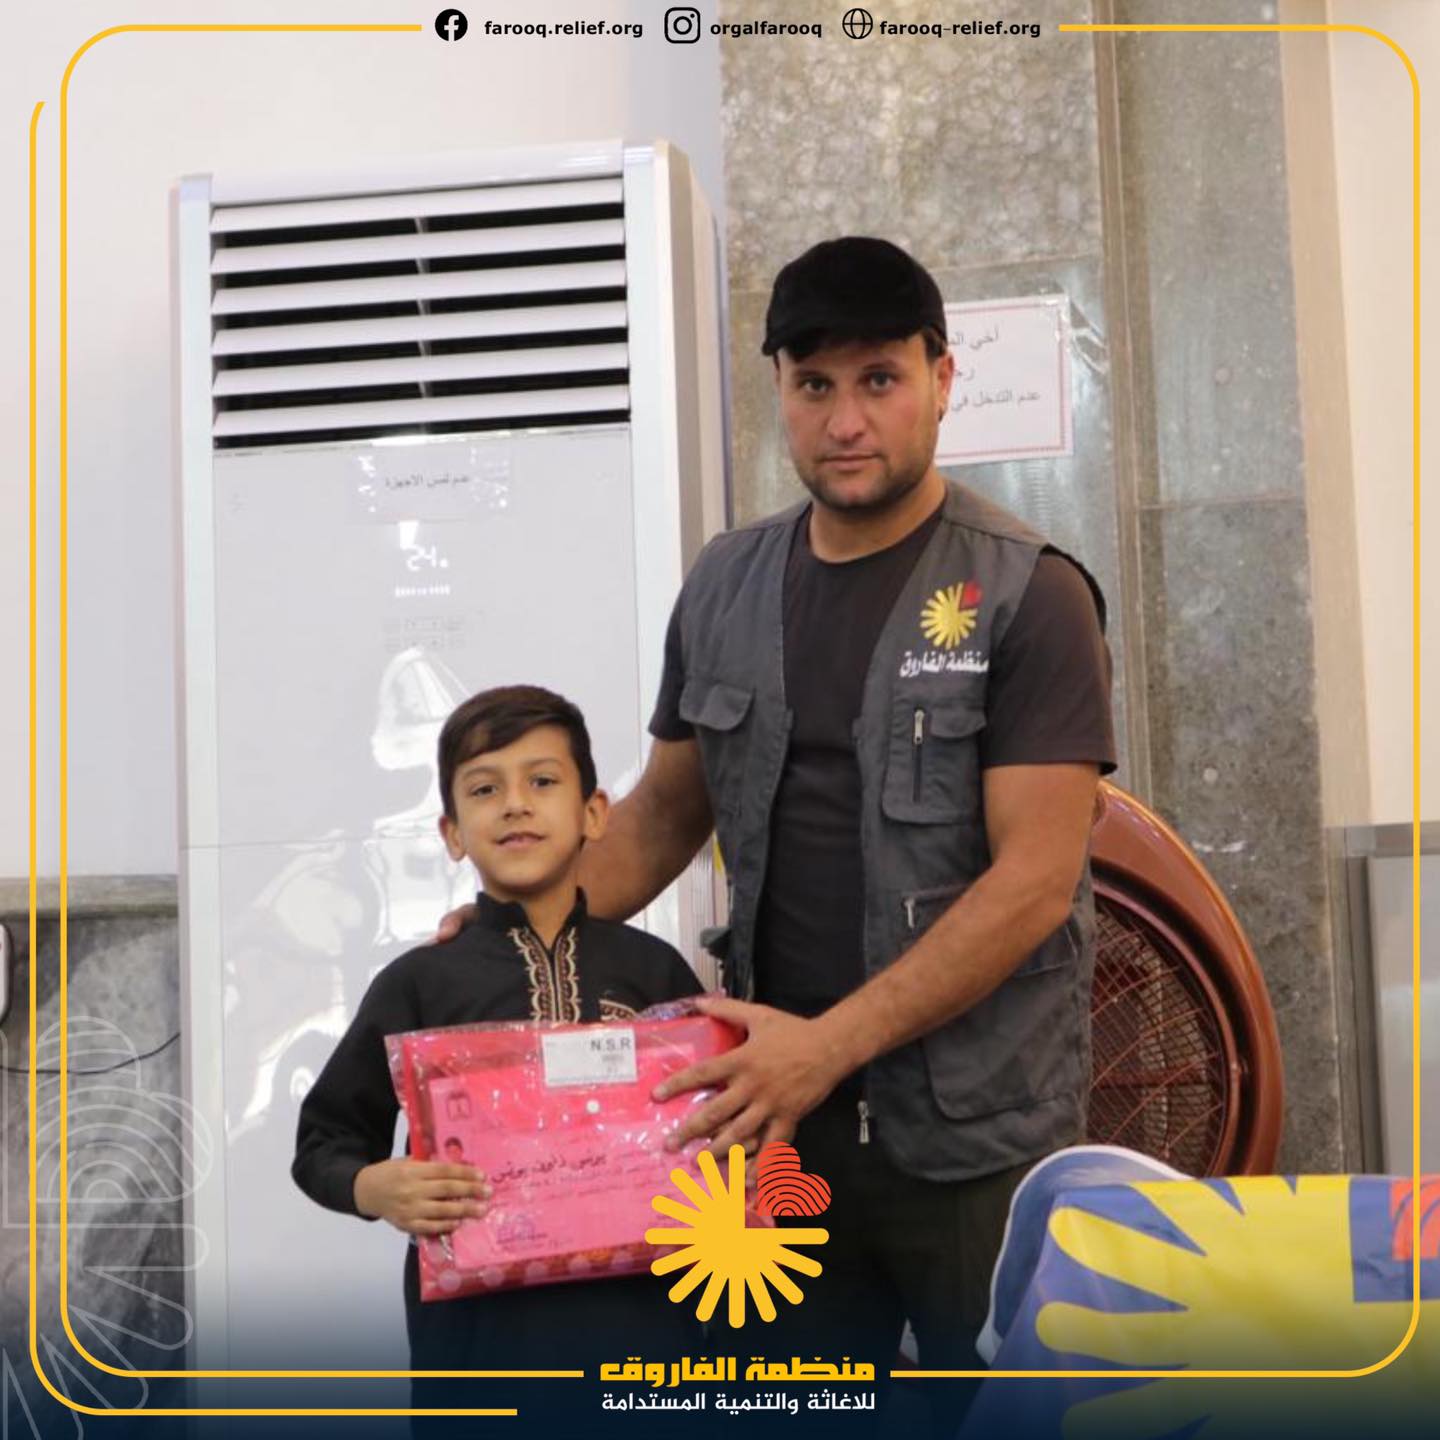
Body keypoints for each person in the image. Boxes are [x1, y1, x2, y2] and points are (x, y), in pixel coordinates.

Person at [439, 235, 1117, 1435]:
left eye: (880, 380)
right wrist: (514, 931)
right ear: (780, 393)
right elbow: (662, 814)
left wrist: (829, 1046)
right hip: (770, 1129)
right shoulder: (726, 584)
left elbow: (1034, 882)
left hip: (972, 1139)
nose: (846, 420)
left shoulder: (1028, 592)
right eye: (815, 386)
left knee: (1000, 1415)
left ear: (942, 380)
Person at [293, 684, 705, 1434]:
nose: (515, 805)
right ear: (452, 832)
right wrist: (375, 1187)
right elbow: (324, 1142)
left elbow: (717, 1129)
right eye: (485, 790)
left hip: (649, 1342)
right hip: (481, 1357)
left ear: (594, 813)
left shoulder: (656, 972)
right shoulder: (418, 984)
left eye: (542, 781)